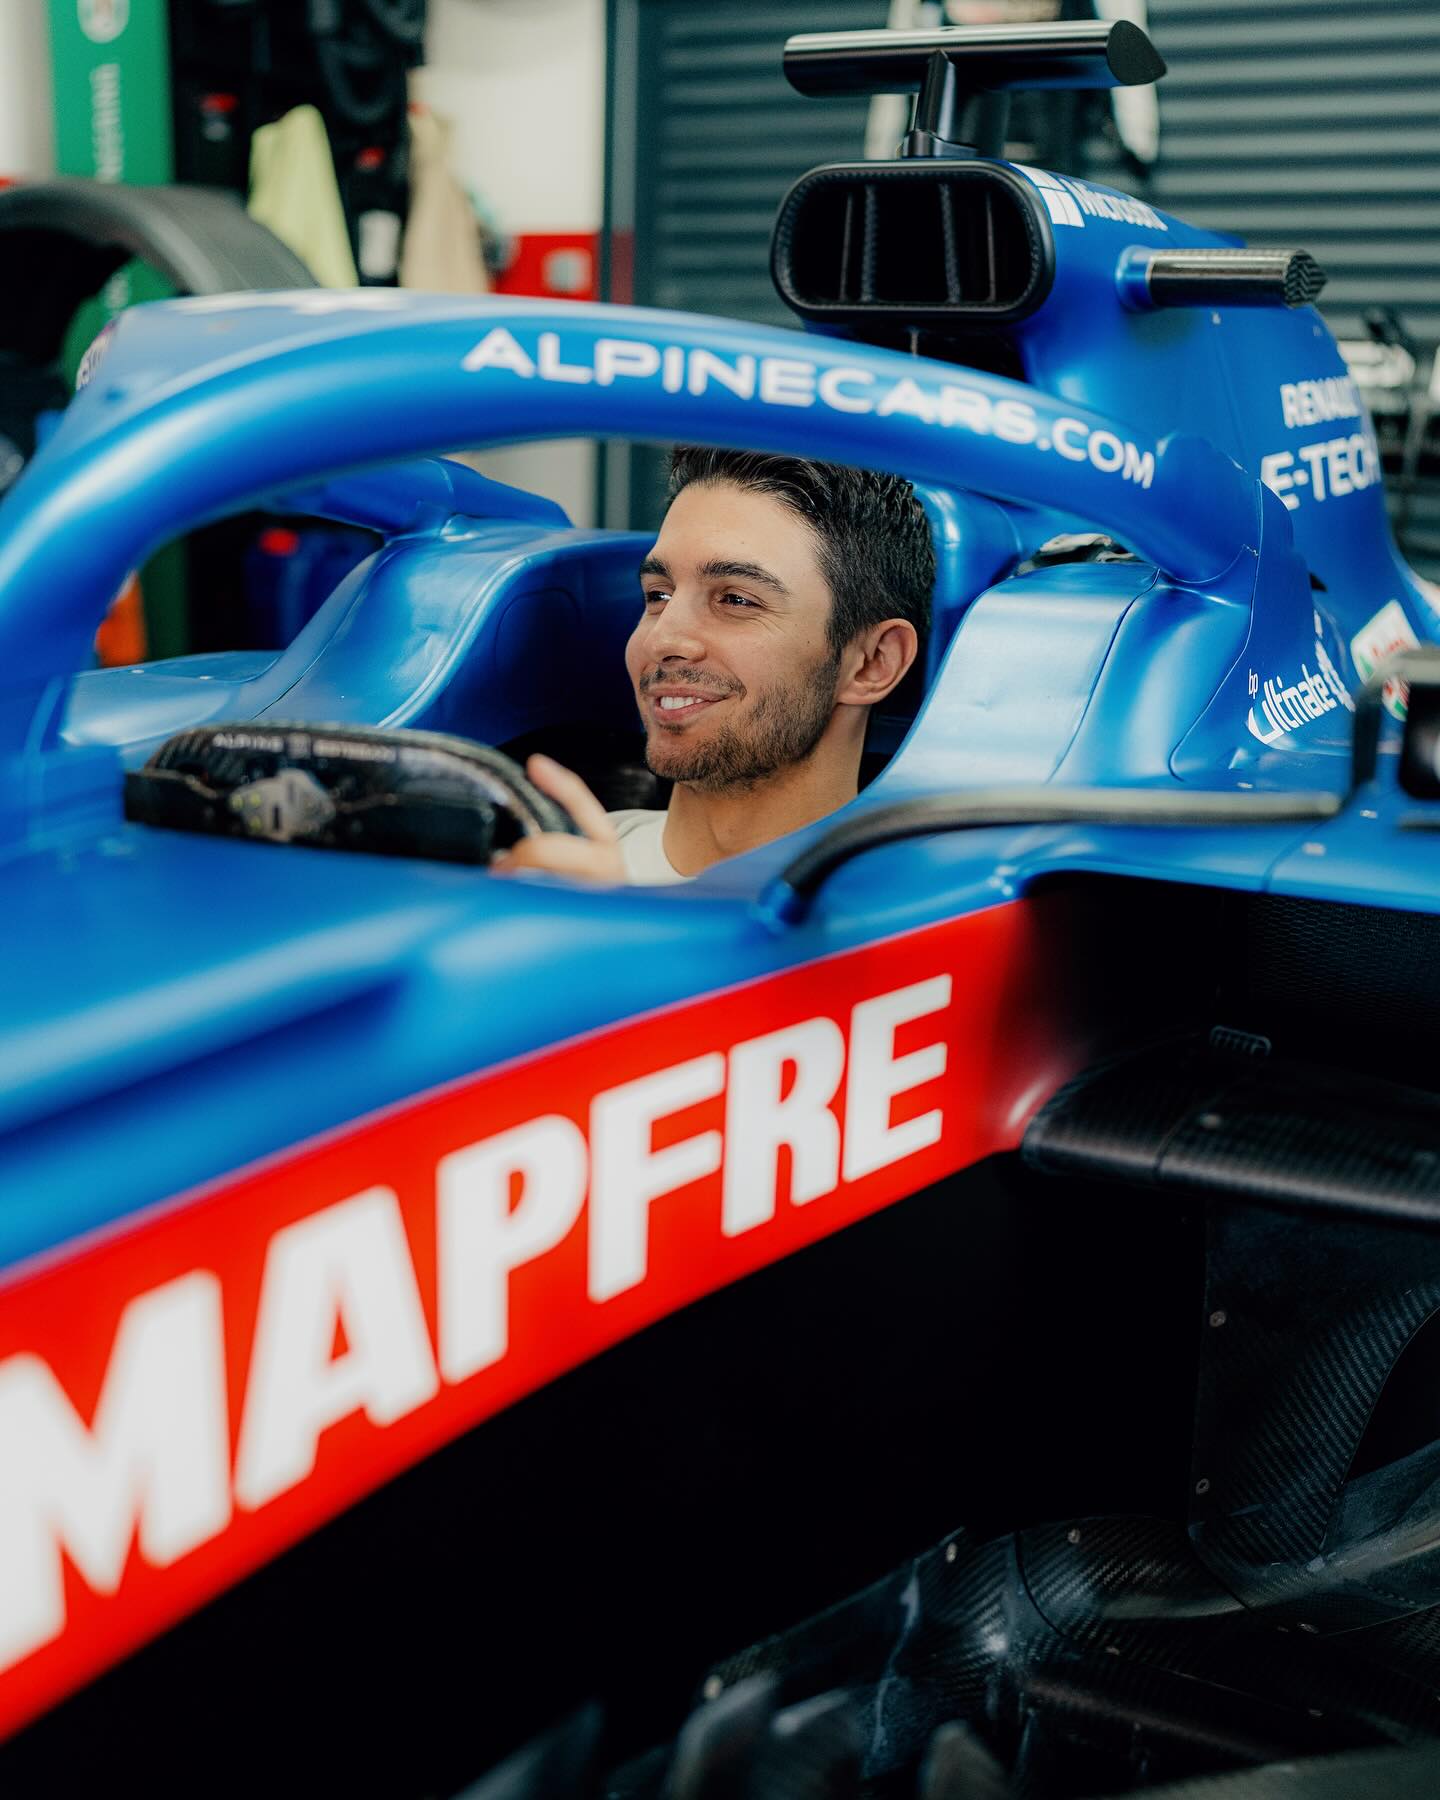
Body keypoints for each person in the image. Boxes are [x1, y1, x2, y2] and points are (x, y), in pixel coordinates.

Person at [492, 447, 936, 885]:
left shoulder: (924, 911)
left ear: (872, 664)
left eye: (736, 600)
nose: (661, 640)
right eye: (658, 595)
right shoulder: (539, 870)